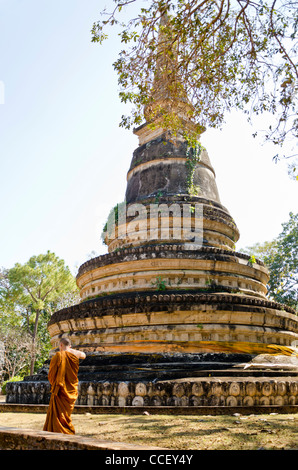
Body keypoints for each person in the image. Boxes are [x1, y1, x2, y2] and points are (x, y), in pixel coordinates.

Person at [43, 337, 86, 434]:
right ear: (70, 346)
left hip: (60, 390)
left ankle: (59, 430)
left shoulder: (57, 356)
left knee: (59, 414)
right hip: (72, 389)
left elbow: (51, 376)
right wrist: (71, 350)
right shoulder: (74, 354)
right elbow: (84, 355)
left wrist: (55, 384)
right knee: (66, 414)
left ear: (61, 345)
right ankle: (66, 430)